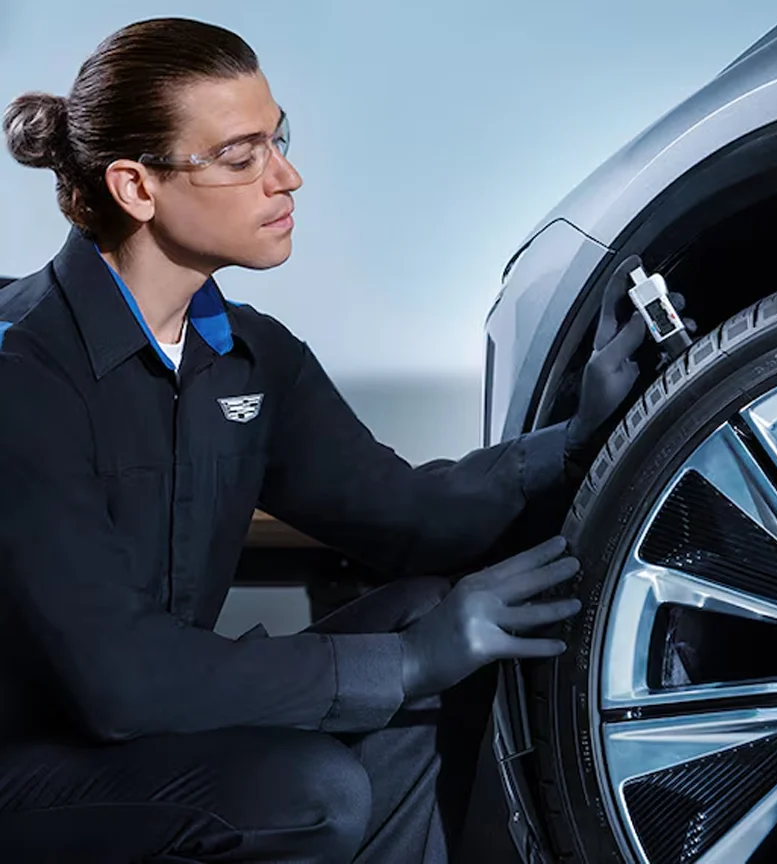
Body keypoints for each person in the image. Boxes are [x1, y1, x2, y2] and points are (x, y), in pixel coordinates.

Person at [0, 18, 648, 864]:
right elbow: (122, 682)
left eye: (279, 141)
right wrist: (411, 660)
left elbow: (408, 515)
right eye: (241, 157)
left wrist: (578, 436)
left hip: (131, 737)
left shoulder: (251, 358)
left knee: (428, 610)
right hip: (28, 766)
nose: (287, 177)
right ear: (136, 187)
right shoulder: (23, 373)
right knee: (308, 789)